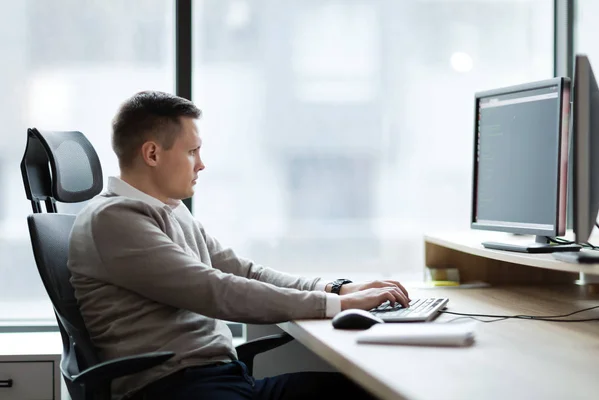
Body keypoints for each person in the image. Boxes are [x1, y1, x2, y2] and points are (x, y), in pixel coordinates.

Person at [68, 91, 411, 400]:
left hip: (221, 380)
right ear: (153, 153)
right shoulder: (113, 220)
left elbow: (242, 271)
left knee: (365, 390)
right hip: (175, 388)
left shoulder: (169, 210)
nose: (201, 163)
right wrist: (338, 305)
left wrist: (337, 288)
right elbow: (216, 291)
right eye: (192, 151)